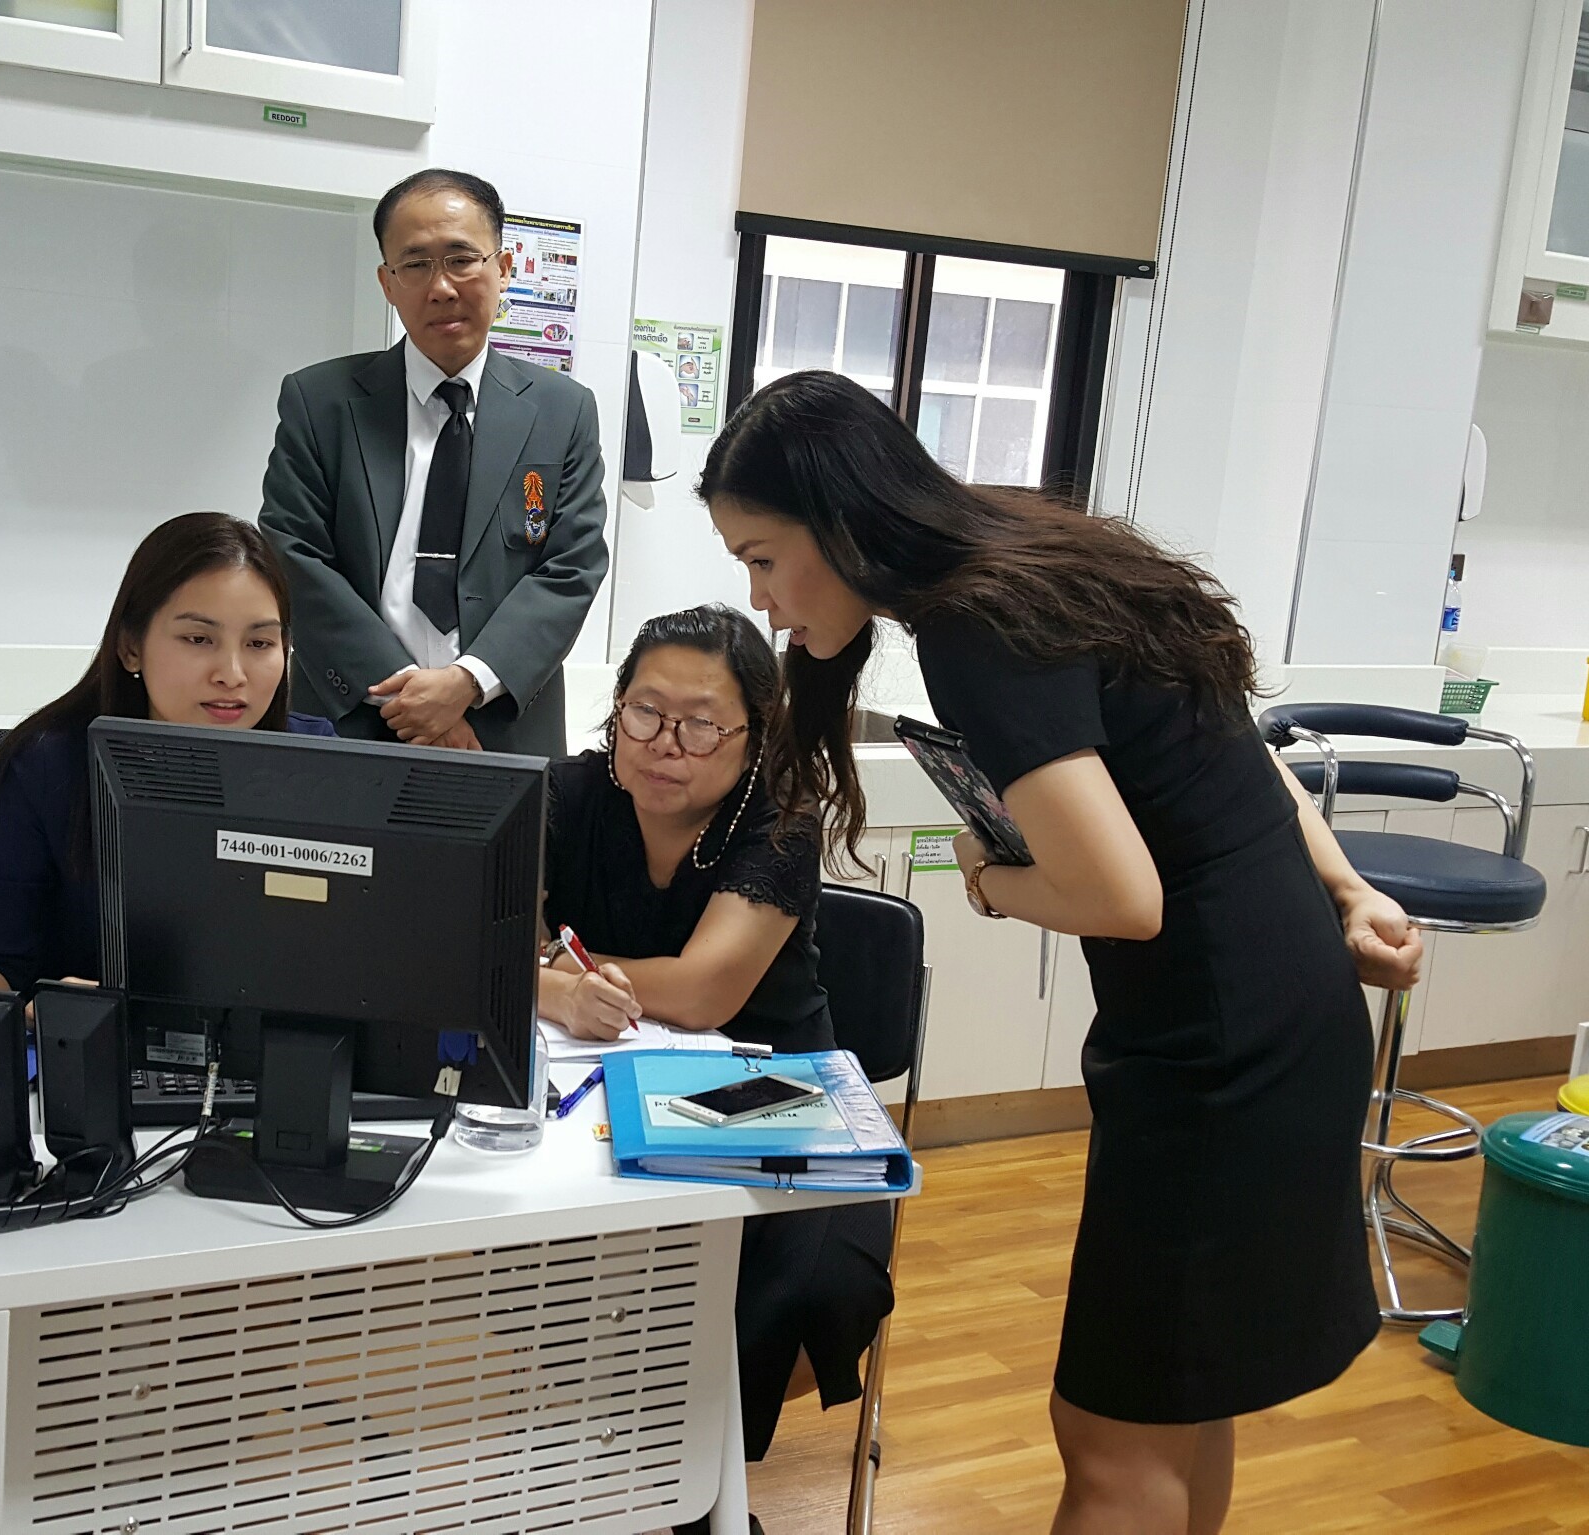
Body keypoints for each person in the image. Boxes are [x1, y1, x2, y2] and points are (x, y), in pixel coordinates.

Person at [700, 371, 1425, 1535]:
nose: (761, 598)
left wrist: (989, 878)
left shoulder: (973, 626)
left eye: (762, 557)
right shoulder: (1032, 553)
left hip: (1215, 1046)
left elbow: (1118, 896)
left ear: (838, 523)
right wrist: (1342, 886)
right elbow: (1231, 747)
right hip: (1280, 1002)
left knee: (1109, 1431)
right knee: (1179, 1398)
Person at [535, 604, 893, 1481]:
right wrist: (559, 989)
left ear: (752, 736)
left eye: (700, 724)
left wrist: (551, 968)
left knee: (814, 1288)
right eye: (645, 712)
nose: (666, 744)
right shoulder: (563, 794)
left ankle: (693, 1484)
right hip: (601, 1090)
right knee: (552, 1258)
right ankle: (644, 1479)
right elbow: (473, 943)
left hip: (778, 1089)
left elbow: (703, 992)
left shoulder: (779, 820)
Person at [0, 513, 334, 1054]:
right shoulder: (45, 765)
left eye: (260, 643)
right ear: (130, 647)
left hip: (273, 1067)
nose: (232, 673)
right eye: (199, 638)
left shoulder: (320, 766)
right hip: (81, 1065)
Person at [259, 168, 609, 757]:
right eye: (416, 265)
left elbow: (572, 565)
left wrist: (466, 683)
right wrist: (413, 703)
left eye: (462, 259)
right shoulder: (320, 402)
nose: (442, 287)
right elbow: (293, 554)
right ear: (387, 283)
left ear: (504, 268)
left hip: (501, 729)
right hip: (351, 723)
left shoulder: (562, 411)